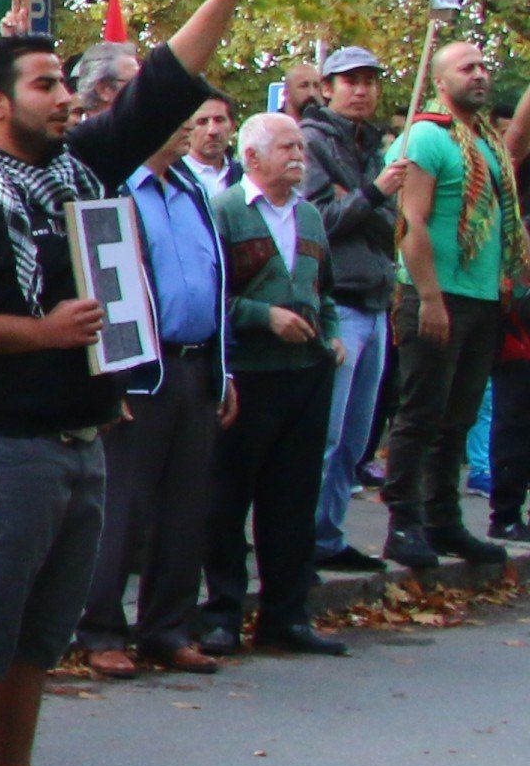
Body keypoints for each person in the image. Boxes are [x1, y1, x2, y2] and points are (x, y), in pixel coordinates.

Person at [0, 0, 261, 766]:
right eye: (46, 85)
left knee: (41, 632)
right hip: (1, 443)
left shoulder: (78, 169)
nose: (67, 97)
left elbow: (162, 88)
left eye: (68, 83)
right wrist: (44, 333)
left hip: (80, 437)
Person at [74, 99, 232, 679]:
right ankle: (101, 630)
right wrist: (111, 380)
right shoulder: (115, 189)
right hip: (140, 371)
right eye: (178, 113)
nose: (189, 123)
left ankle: (168, 628)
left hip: (196, 365)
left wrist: (225, 370)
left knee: (186, 507)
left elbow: (217, 280)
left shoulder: (193, 190)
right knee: (123, 507)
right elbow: (103, 282)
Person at [203, 110, 348, 654]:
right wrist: (265, 317)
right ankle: (221, 615)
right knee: (228, 498)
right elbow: (211, 296)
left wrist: (332, 334)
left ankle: (286, 616)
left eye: (299, 147)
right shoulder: (224, 211)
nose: (298, 156)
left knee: (293, 499)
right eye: (286, 147)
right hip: (249, 375)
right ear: (253, 157)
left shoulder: (309, 215)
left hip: (305, 376)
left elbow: (324, 290)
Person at [378, 38, 520, 571]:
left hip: (482, 299)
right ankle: (403, 524)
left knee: (457, 419)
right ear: (440, 81)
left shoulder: (489, 142)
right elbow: (411, 221)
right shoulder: (427, 136)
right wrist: (430, 297)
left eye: (483, 66)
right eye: (467, 68)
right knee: (420, 414)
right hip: (434, 296)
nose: (479, 74)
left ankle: (444, 521)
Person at [302, 44, 397, 569]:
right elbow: (319, 221)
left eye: (369, 81)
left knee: (357, 438)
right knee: (327, 433)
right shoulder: (313, 141)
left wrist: (360, 197)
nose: (361, 90)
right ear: (327, 87)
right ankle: (299, 542)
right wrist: (373, 195)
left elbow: (394, 225)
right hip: (337, 304)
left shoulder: (376, 146)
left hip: (377, 299)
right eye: (350, 81)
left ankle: (329, 535)